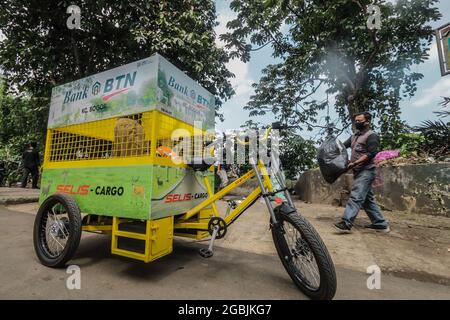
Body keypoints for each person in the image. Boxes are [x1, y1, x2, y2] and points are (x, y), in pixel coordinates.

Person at [334, 111, 390, 234]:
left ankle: (346, 222)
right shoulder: (354, 136)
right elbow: (343, 147)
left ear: (367, 122)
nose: (357, 123)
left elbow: (371, 154)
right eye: (356, 121)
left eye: (360, 121)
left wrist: (355, 163)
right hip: (358, 171)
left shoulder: (372, 136)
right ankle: (380, 224)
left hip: (367, 170)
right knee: (367, 200)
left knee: (356, 196)